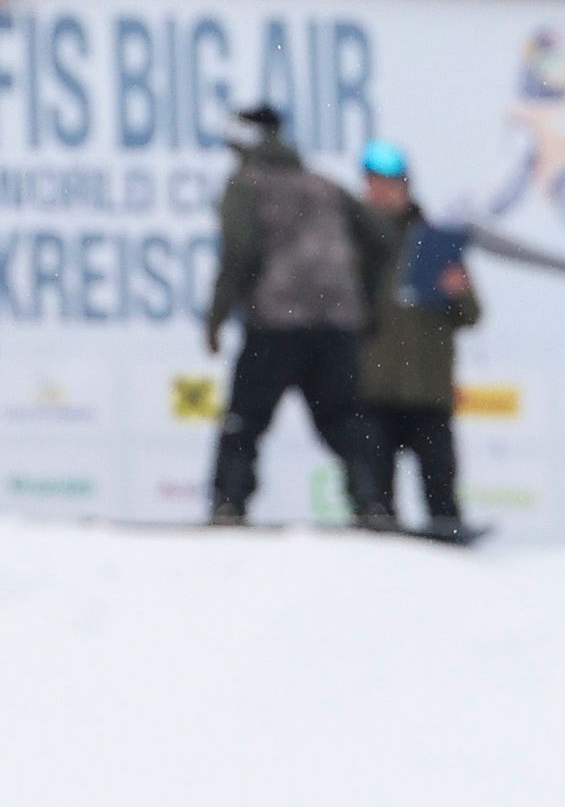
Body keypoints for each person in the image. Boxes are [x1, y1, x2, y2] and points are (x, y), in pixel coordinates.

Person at [204, 102, 377, 527]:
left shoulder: (246, 185)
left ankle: (230, 502)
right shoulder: (324, 186)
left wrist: (217, 315)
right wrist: (362, 300)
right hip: (337, 322)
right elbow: (379, 238)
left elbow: (239, 252)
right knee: (345, 420)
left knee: (244, 420)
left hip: (276, 322)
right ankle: (372, 502)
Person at [351, 141, 482, 536]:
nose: (381, 193)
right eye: (374, 185)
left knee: (441, 490)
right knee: (374, 498)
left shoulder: (435, 244)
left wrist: (457, 289)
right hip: (373, 388)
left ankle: (450, 541)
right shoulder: (353, 244)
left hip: (428, 390)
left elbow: (473, 315)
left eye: (389, 185)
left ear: (406, 188)